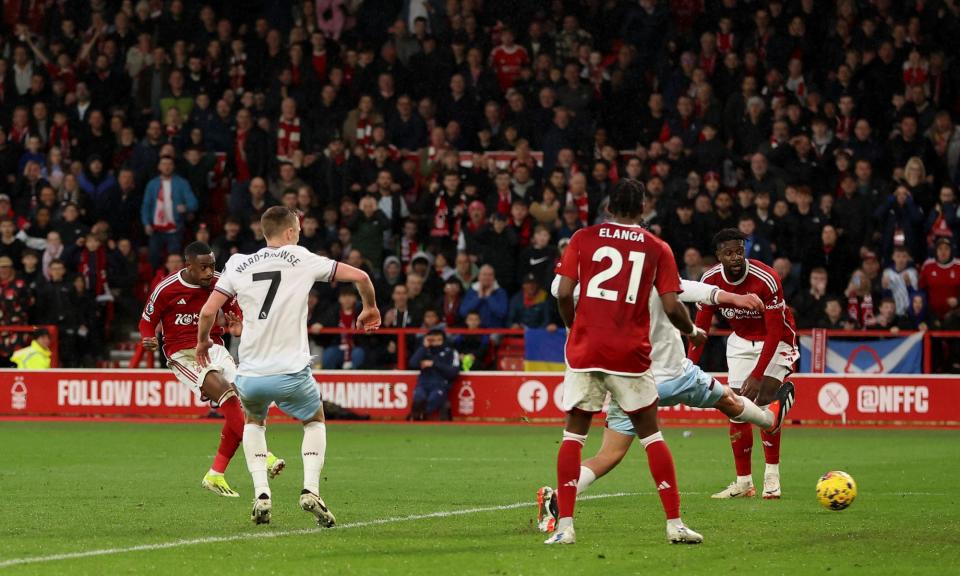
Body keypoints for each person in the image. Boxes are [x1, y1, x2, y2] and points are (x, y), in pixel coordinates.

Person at [536, 272, 796, 534]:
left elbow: (560, 288)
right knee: (728, 400)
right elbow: (690, 292)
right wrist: (724, 305)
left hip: (628, 380)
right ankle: (769, 421)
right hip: (674, 375)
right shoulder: (650, 270)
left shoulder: (601, 289)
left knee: (609, 454)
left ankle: (557, 498)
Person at [197, 207, 380, 526]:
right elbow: (361, 277)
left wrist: (201, 343)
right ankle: (310, 489)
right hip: (292, 373)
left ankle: (262, 494)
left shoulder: (238, 262)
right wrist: (370, 308)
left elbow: (209, 310)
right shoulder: (302, 257)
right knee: (314, 419)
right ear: (291, 233)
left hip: (251, 374)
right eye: (297, 229)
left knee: (254, 421)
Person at [546, 179, 704, 546]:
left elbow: (564, 291)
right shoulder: (656, 247)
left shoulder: (582, 238)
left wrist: (574, 328)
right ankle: (674, 524)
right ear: (643, 208)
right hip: (629, 355)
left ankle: (564, 527)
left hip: (585, 351)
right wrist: (692, 330)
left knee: (574, 435)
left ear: (609, 208)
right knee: (651, 435)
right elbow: (670, 305)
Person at [139, 241, 284, 497]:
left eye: (212, 267)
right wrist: (149, 338)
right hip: (183, 354)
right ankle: (265, 455)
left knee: (244, 403)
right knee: (225, 393)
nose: (209, 273)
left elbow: (233, 309)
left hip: (215, 347)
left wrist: (236, 319)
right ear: (189, 267)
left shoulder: (220, 282)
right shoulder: (166, 288)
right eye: (203, 268)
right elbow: (147, 321)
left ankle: (216, 473)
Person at [689, 228, 800, 500]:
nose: (736, 257)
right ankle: (743, 483)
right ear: (718, 256)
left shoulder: (767, 278)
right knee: (735, 408)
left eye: (740, 251)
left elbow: (775, 332)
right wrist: (687, 366)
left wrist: (759, 373)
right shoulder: (710, 280)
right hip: (740, 342)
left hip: (777, 341)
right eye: (729, 253)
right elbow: (700, 330)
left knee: (763, 401)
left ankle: (771, 477)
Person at [407, 328, 460, 421]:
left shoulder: (451, 352)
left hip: (440, 385)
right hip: (423, 383)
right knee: (419, 397)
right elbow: (412, 363)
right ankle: (417, 415)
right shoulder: (424, 351)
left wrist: (434, 364)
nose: (436, 343)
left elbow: (453, 372)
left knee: (433, 398)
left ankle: (417, 414)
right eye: (433, 340)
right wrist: (424, 347)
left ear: (444, 340)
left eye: (439, 340)